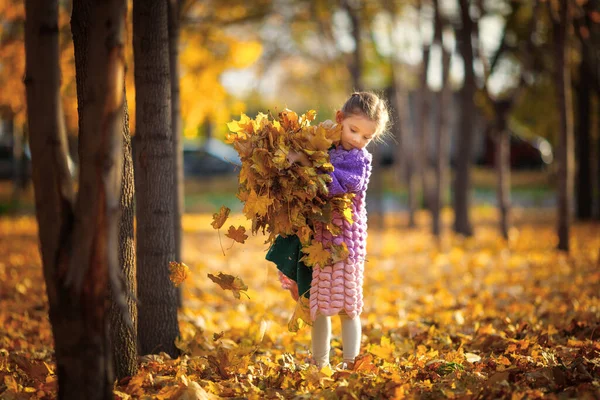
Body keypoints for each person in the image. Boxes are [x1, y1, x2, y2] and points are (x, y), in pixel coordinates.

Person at [266, 91, 390, 369]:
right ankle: (320, 364)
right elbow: (308, 175)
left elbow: (331, 184)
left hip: (344, 246)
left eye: (366, 137)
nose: (357, 139)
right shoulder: (326, 147)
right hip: (318, 243)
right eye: (353, 130)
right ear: (339, 119)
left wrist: (304, 161)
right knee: (319, 307)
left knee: (348, 307)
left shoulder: (360, 161)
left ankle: (350, 362)